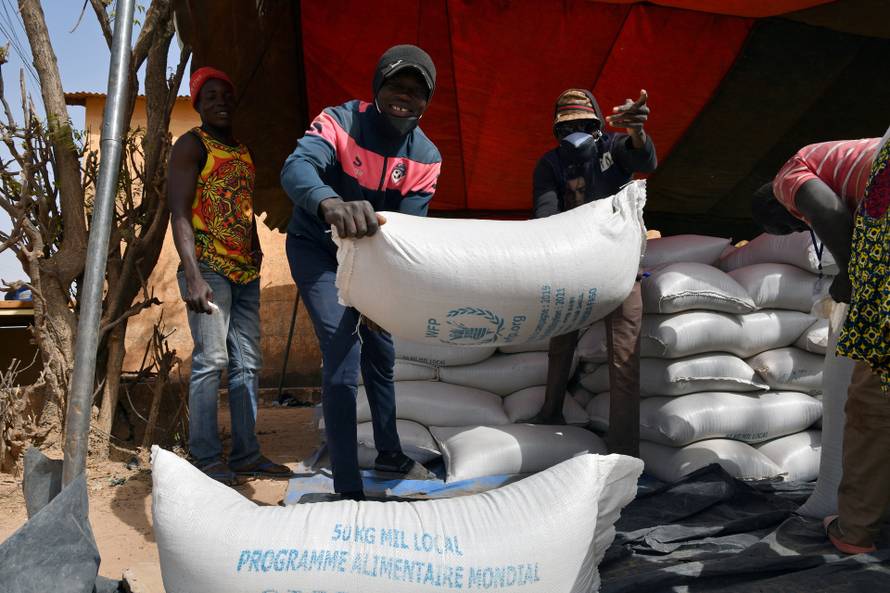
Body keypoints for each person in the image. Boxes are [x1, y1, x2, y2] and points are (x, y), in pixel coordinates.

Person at [280, 45, 441, 500]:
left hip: (372, 261)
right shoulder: (339, 122)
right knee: (342, 349)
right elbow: (297, 168)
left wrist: (385, 293)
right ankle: (348, 490)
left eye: (416, 91)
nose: (404, 97)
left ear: (426, 102)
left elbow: (407, 234)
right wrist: (328, 203)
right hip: (317, 249)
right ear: (377, 88)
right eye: (396, 85)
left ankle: (389, 454)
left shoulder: (426, 158)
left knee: (381, 352)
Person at [751, 133, 889, 554]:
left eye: (792, 224)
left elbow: (826, 209)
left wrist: (853, 274)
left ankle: (856, 529)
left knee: (872, 396)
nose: (798, 226)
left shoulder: (789, 174)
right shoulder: (850, 164)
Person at [168, 66, 291, 486]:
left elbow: (240, 208)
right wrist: (193, 275)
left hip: (244, 272)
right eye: (210, 96)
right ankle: (205, 457)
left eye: (226, 95)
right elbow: (180, 214)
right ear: (198, 104)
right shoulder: (190, 146)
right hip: (209, 270)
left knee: (248, 364)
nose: (219, 101)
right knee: (212, 360)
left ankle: (246, 455)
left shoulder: (242, 151)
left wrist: (255, 252)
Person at [530, 88, 657, 457]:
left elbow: (644, 159)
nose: (576, 133)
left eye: (585, 124)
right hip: (574, 268)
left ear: (600, 125)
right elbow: (545, 217)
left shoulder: (615, 148)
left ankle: (623, 449)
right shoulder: (550, 164)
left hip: (620, 268)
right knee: (560, 344)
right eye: (567, 128)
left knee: (624, 357)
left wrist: (637, 133)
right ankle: (551, 413)